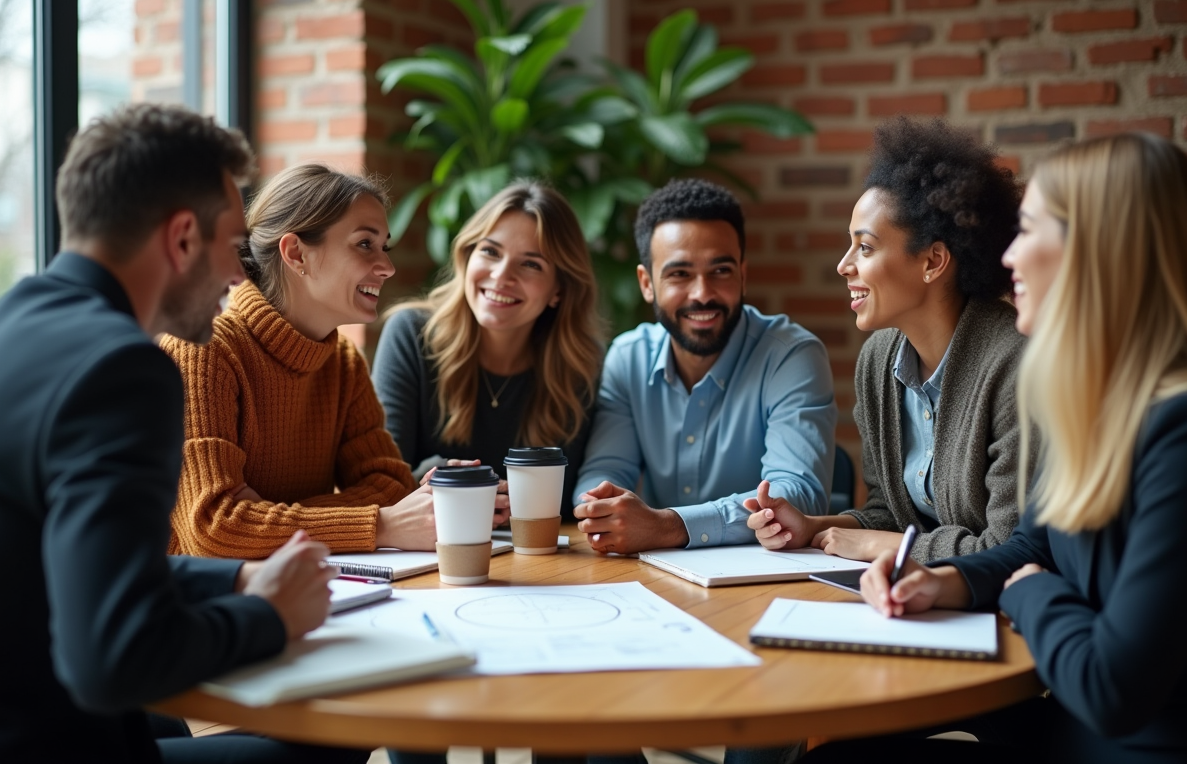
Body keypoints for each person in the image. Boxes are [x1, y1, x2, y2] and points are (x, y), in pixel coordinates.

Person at [0, 104, 366, 762]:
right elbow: (112, 657)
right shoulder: (121, 370)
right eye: (231, 245)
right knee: (332, 742)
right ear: (182, 239)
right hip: (54, 743)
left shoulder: (14, 320)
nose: (237, 273)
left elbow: (70, 564)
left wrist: (229, 584)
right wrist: (268, 617)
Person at [825, 133, 1187, 764]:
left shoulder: (1180, 432)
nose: (1010, 257)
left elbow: (1112, 688)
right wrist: (938, 583)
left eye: (1030, 232)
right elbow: (1033, 544)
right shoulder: (1100, 407)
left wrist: (1030, 592)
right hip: (1067, 730)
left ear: (1100, 252)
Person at [162, 163, 510, 559]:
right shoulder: (201, 352)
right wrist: (382, 524)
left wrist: (265, 519)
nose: (388, 266)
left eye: (385, 246)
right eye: (365, 244)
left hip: (295, 590)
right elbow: (215, 529)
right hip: (195, 608)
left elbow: (389, 485)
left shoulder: (343, 362)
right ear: (296, 254)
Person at [747, 118, 1030, 563]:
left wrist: (897, 549)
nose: (844, 266)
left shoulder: (1015, 364)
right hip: (913, 601)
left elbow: (1012, 547)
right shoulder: (879, 360)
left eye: (865, 247)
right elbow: (889, 514)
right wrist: (813, 527)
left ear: (933, 260)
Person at [573, 178, 837, 555]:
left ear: (743, 275)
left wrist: (667, 527)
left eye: (721, 271)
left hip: (766, 577)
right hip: (657, 578)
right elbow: (603, 472)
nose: (702, 293)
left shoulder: (791, 355)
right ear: (647, 283)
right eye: (679, 274)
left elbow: (797, 495)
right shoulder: (627, 357)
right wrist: (602, 504)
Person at [373, 181, 603, 510]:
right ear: (467, 257)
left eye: (531, 264)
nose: (500, 275)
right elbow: (382, 480)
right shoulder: (411, 334)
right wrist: (442, 476)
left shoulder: (580, 364)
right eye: (490, 251)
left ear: (559, 290)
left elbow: (570, 496)